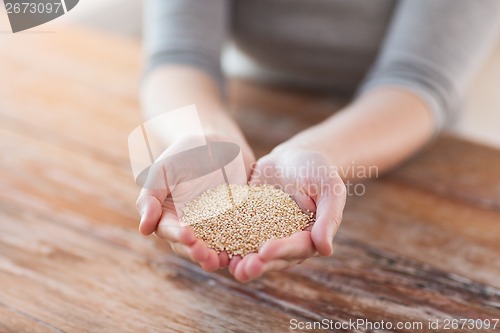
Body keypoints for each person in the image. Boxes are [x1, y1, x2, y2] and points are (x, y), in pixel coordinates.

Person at [136, 0, 500, 283]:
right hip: (247, 103)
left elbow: (419, 79)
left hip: (399, 130)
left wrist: (318, 153)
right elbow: (178, 56)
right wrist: (204, 137)